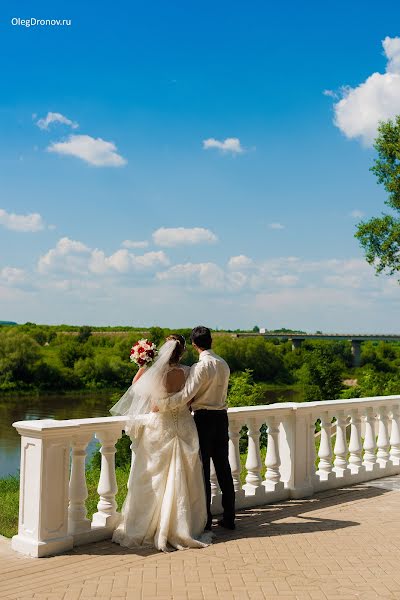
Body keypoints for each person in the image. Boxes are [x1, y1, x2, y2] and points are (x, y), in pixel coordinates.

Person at [110, 334, 211, 551]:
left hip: (160, 427)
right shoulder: (188, 371)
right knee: (185, 474)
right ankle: (184, 526)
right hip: (184, 424)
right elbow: (190, 399)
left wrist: (143, 365)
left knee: (153, 477)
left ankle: (148, 526)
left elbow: (136, 388)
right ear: (182, 351)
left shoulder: (155, 373)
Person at [157, 326, 235, 530]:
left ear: (193, 345)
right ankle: (230, 516)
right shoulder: (223, 364)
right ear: (212, 341)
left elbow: (186, 396)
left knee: (203, 469)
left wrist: (163, 404)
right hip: (222, 417)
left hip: (204, 419)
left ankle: (206, 519)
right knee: (224, 468)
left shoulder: (200, 367)